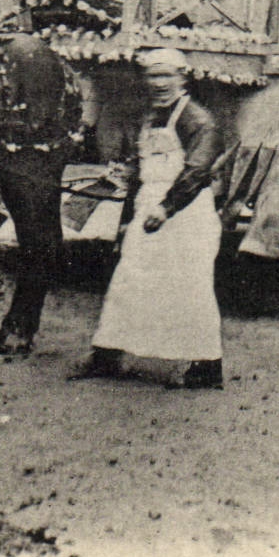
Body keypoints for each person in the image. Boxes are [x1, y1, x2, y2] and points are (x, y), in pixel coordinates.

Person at [74, 49, 225, 389]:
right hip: (149, 207)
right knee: (129, 277)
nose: (159, 84)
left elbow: (197, 170)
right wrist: (129, 216)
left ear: (182, 78)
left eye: (166, 76)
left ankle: (206, 365)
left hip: (186, 214)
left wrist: (167, 208)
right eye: (153, 77)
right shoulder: (152, 118)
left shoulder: (199, 120)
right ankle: (108, 355)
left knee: (190, 285)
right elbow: (141, 172)